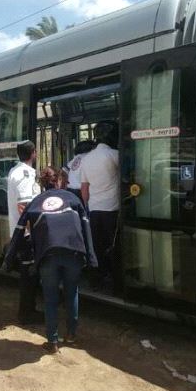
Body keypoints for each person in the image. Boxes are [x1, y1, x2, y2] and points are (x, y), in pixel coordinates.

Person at [4, 167, 97, 353]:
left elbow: (19, 231)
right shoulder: (73, 199)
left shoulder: (35, 203)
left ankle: (52, 341)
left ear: (41, 184)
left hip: (48, 256)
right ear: (60, 181)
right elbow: (86, 228)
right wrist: (91, 257)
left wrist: (9, 258)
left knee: (50, 298)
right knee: (71, 293)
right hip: (74, 253)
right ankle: (71, 335)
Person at [80, 122, 120, 289]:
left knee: (97, 246)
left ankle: (97, 278)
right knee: (114, 246)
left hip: (94, 210)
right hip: (112, 210)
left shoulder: (87, 159)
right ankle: (116, 279)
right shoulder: (115, 155)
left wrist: (87, 207)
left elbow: (84, 189)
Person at [6, 141, 42, 324]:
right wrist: (32, 231)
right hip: (26, 234)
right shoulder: (25, 174)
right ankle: (26, 314)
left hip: (21, 232)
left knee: (28, 274)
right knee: (28, 276)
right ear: (33, 153)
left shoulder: (15, 171)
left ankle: (28, 310)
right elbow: (24, 206)